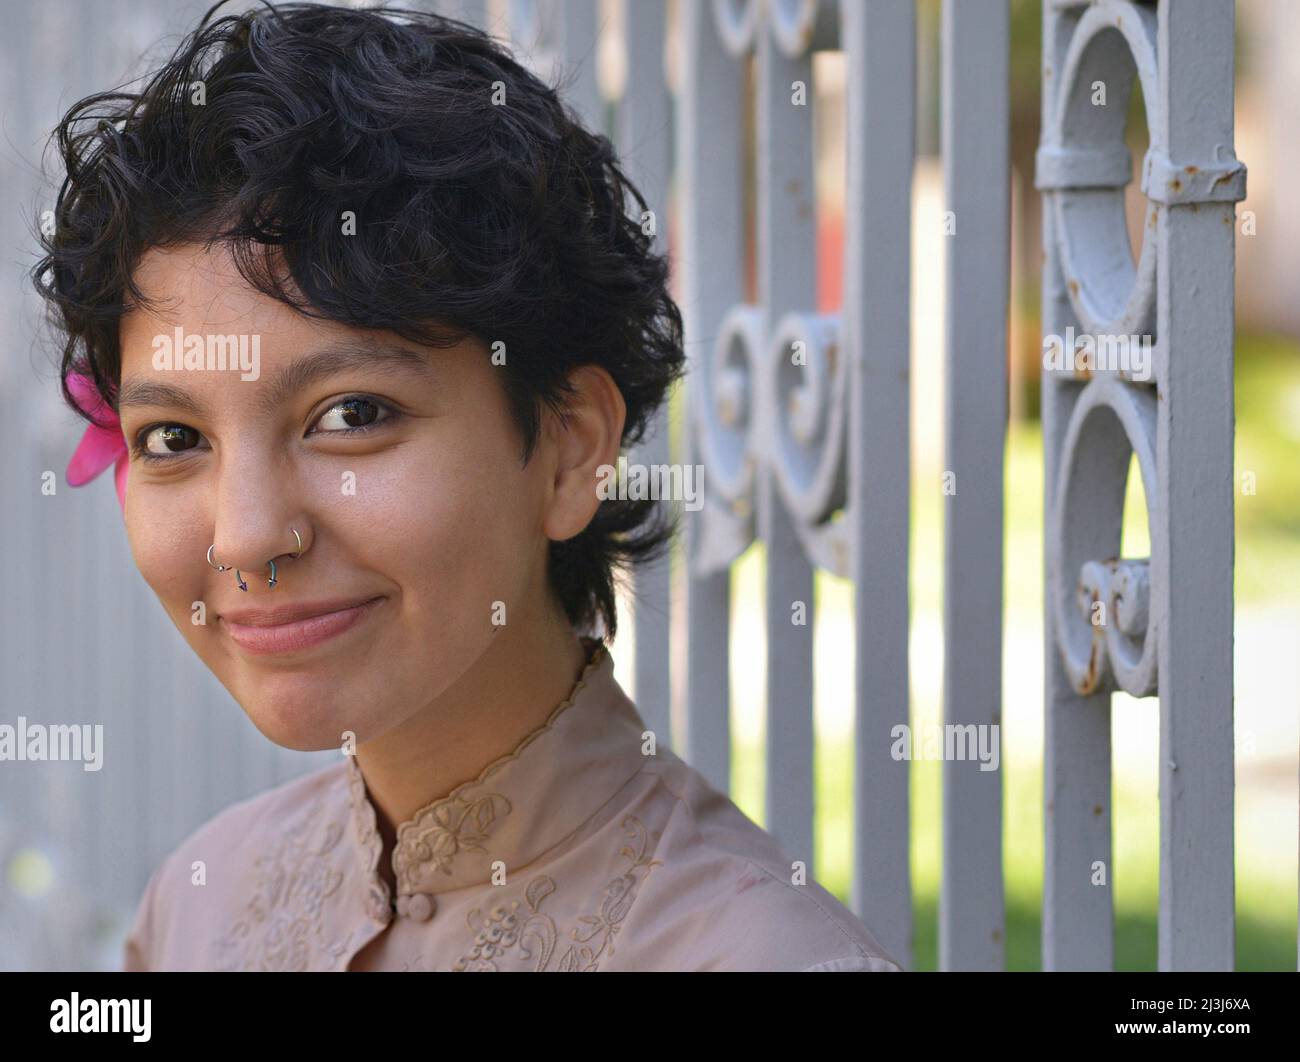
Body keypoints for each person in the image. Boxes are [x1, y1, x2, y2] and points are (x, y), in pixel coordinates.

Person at [35, 0, 900, 972]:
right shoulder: (199, 908)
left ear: (570, 449)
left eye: (352, 415)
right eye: (174, 436)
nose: (244, 537)